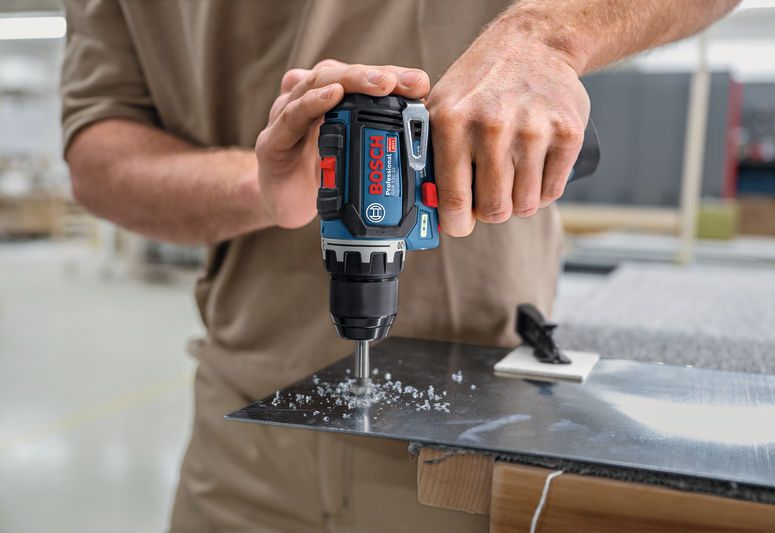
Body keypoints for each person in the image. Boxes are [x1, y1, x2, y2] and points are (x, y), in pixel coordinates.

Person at [61, 1, 740, 531]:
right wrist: (261, 188)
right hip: (245, 433)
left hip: (483, 425)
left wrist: (545, 36)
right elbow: (98, 151)